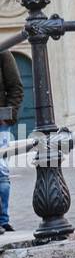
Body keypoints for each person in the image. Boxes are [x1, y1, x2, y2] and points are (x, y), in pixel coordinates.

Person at [0, 50, 22, 233]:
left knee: (1, 174)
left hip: (0, 124)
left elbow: (16, 88)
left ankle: (3, 219)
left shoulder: (3, 52)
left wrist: (7, 117)